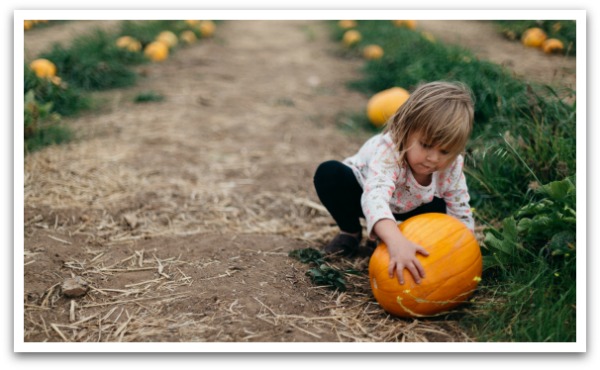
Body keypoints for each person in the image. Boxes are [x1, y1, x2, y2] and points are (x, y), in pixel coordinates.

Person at [313, 81, 475, 285]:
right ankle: (350, 232)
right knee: (329, 174)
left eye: (445, 151)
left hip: (411, 205)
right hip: (363, 194)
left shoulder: (452, 165)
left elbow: (460, 211)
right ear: (405, 130)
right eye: (425, 145)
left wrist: (465, 252)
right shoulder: (390, 151)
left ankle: (395, 235)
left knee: (443, 210)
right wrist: (396, 241)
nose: (433, 158)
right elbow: (374, 198)